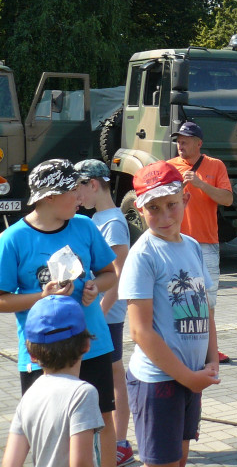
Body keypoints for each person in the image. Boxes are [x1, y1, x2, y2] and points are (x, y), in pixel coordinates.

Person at [0, 159, 118, 467]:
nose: (80, 197)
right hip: (43, 353)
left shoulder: (85, 226)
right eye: (73, 191)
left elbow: (110, 273)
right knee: (48, 424)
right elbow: (1, 300)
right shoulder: (12, 239)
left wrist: (94, 286)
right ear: (49, 196)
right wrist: (43, 295)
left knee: (102, 417)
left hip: (90, 345)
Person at [120, 161, 220, 467]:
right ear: (140, 210)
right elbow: (140, 331)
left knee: (180, 458)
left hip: (191, 378)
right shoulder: (144, 255)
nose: (164, 216)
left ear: (185, 200)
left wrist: (212, 359)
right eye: (153, 208)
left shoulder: (190, 245)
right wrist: (188, 377)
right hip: (158, 382)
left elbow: (207, 308)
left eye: (171, 205)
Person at [75, 159, 134, 467]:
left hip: (107, 316)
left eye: (79, 187)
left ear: (93, 184)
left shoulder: (111, 222)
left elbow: (119, 275)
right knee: (113, 376)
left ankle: (120, 442)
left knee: (114, 378)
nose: (76, 195)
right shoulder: (99, 219)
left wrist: (97, 315)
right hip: (102, 314)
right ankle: (117, 440)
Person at [2, 295, 105, 467]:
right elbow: (81, 463)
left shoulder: (30, 395)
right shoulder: (82, 394)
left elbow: (10, 463)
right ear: (86, 344)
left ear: (32, 355)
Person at [168, 120, 233, 364]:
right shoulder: (169, 167)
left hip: (206, 243)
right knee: (179, 297)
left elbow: (227, 199)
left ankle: (209, 350)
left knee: (208, 299)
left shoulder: (215, 166)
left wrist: (200, 184)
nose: (180, 145)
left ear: (199, 143)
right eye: (178, 140)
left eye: (185, 140)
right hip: (177, 243)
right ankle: (182, 347)